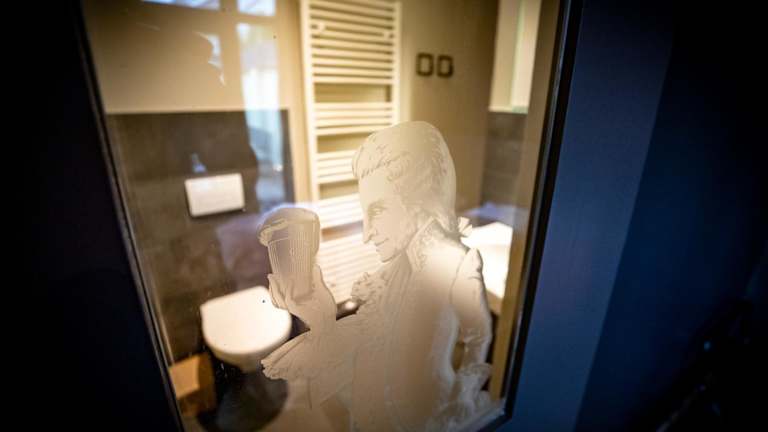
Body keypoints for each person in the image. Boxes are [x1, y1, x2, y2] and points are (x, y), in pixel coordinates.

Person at [262, 121, 493, 431]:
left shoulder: (457, 264)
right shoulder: (396, 267)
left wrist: (463, 395)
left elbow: (479, 336)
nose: (366, 234)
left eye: (377, 210)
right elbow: (375, 339)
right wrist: (322, 318)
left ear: (419, 203)